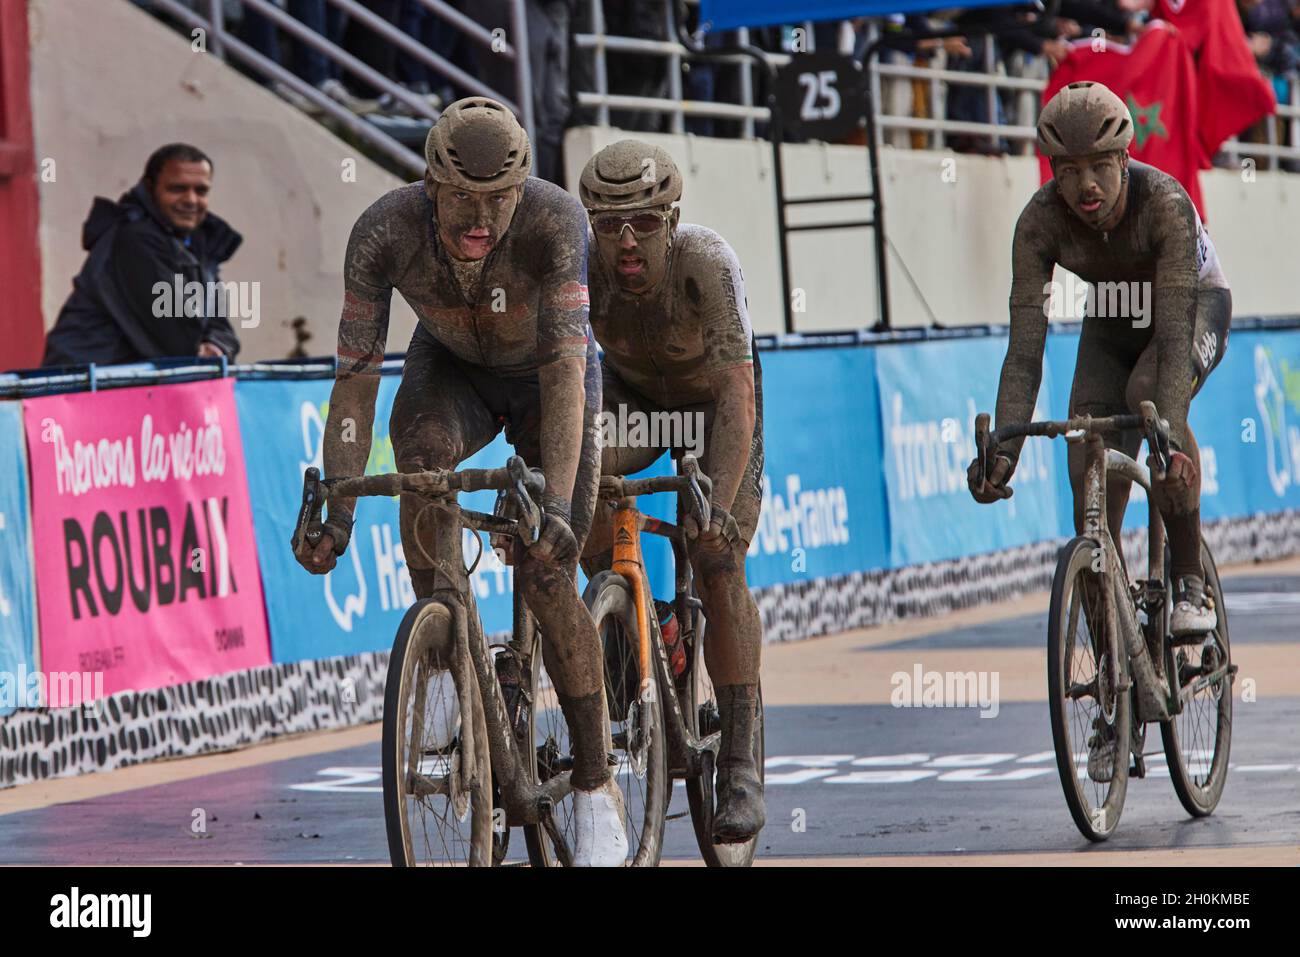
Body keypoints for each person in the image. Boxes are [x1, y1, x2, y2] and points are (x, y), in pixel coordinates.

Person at [290, 98, 626, 866]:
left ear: (523, 191)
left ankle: (595, 783)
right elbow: (354, 380)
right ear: (428, 185)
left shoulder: (554, 221)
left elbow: (570, 374)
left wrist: (561, 506)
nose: (479, 220)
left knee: (546, 568)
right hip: (451, 371)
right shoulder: (382, 232)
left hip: (549, 379)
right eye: (461, 200)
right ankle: (446, 651)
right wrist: (337, 503)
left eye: (497, 201)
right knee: (422, 463)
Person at [969, 81, 1230, 645]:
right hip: (1112, 321)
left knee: (1150, 395)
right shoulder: (1037, 224)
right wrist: (1004, 452)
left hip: (1189, 309)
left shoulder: (1163, 202)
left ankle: (1188, 581)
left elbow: (1175, 325)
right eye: (1066, 170)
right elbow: (1023, 353)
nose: (1084, 185)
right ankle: (1114, 677)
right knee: (1086, 467)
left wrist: (1167, 433)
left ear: (1124, 159)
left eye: (1098, 168)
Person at [578, 140, 767, 844]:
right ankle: (641, 629)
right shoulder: (582, 265)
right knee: (582, 492)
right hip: (633, 401)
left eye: (645, 225)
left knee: (715, 554)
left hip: (713, 404)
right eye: (609, 224)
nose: (626, 242)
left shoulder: (706, 263)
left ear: (672, 219)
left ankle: (744, 756)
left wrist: (716, 506)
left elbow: (736, 396)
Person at [42, 143, 242, 367]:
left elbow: (222, 329)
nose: (191, 200)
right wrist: (204, 350)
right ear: (150, 187)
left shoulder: (197, 243)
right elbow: (178, 339)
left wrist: (215, 347)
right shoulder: (134, 239)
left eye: (201, 191)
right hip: (85, 388)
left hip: (128, 387)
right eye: (177, 189)